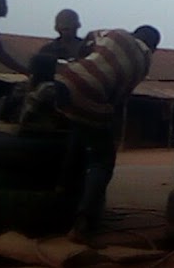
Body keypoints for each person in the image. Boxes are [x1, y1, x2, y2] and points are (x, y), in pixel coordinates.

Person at [48, 25, 161, 242]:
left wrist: (81, 61)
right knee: (102, 159)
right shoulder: (144, 62)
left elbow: (88, 40)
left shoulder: (116, 33)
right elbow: (117, 99)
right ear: (153, 47)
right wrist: (107, 120)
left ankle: (57, 206)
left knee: (77, 141)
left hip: (64, 79)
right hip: (93, 95)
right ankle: (83, 223)